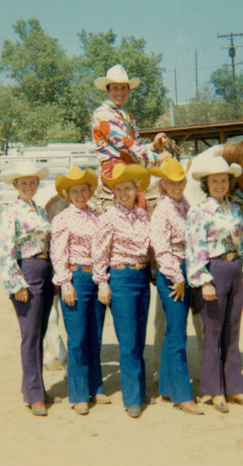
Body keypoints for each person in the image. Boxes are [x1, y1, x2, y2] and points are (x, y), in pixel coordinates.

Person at [185, 156, 243, 414]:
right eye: (214, 181)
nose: (219, 184)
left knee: (233, 332)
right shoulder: (198, 211)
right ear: (206, 184)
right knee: (212, 332)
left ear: (230, 182)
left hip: (234, 271)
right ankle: (215, 391)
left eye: (223, 180)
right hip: (213, 272)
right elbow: (195, 249)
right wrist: (203, 280)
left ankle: (236, 389)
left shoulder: (235, 210)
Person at [92, 163, 152, 419]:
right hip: (120, 277)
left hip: (142, 275)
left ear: (136, 189)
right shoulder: (107, 218)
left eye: (128, 188)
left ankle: (139, 388)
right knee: (127, 340)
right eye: (119, 190)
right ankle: (132, 398)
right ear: (114, 192)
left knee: (140, 337)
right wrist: (103, 283)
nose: (124, 193)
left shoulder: (143, 216)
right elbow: (99, 253)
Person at [0, 162, 56, 417]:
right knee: (30, 335)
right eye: (24, 183)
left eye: (32, 182)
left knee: (40, 333)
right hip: (27, 271)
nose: (29, 187)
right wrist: (16, 284)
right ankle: (34, 395)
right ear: (16, 186)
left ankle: (34, 387)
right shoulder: (11, 212)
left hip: (45, 269)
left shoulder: (41, 211)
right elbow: (5, 251)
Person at [50, 166, 110, 415]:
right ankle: (77, 393)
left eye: (83, 190)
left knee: (94, 335)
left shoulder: (98, 217)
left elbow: (103, 250)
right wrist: (65, 282)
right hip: (74, 277)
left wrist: (103, 280)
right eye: (74, 191)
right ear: (68, 193)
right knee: (77, 337)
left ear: (90, 191)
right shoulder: (62, 219)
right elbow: (58, 252)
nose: (79, 195)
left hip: (95, 278)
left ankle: (95, 386)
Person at [149, 158, 204, 415]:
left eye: (180, 180)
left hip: (185, 269)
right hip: (173, 273)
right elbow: (160, 248)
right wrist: (177, 278)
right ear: (163, 183)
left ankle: (168, 387)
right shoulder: (162, 210)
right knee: (178, 334)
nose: (177, 185)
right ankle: (183, 394)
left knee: (173, 332)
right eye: (171, 181)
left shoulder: (183, 205)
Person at [92, 64, 172, 195]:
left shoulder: (127, 116)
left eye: (123, 88)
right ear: (107, 91)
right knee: (136, 197)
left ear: (128, 91)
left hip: (130, 166)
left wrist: (154, 146)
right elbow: (123, 142)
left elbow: (135, 145)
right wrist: (156, 157)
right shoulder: (103, 113)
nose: (120, 92)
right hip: (114, 167)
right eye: (115, 88)